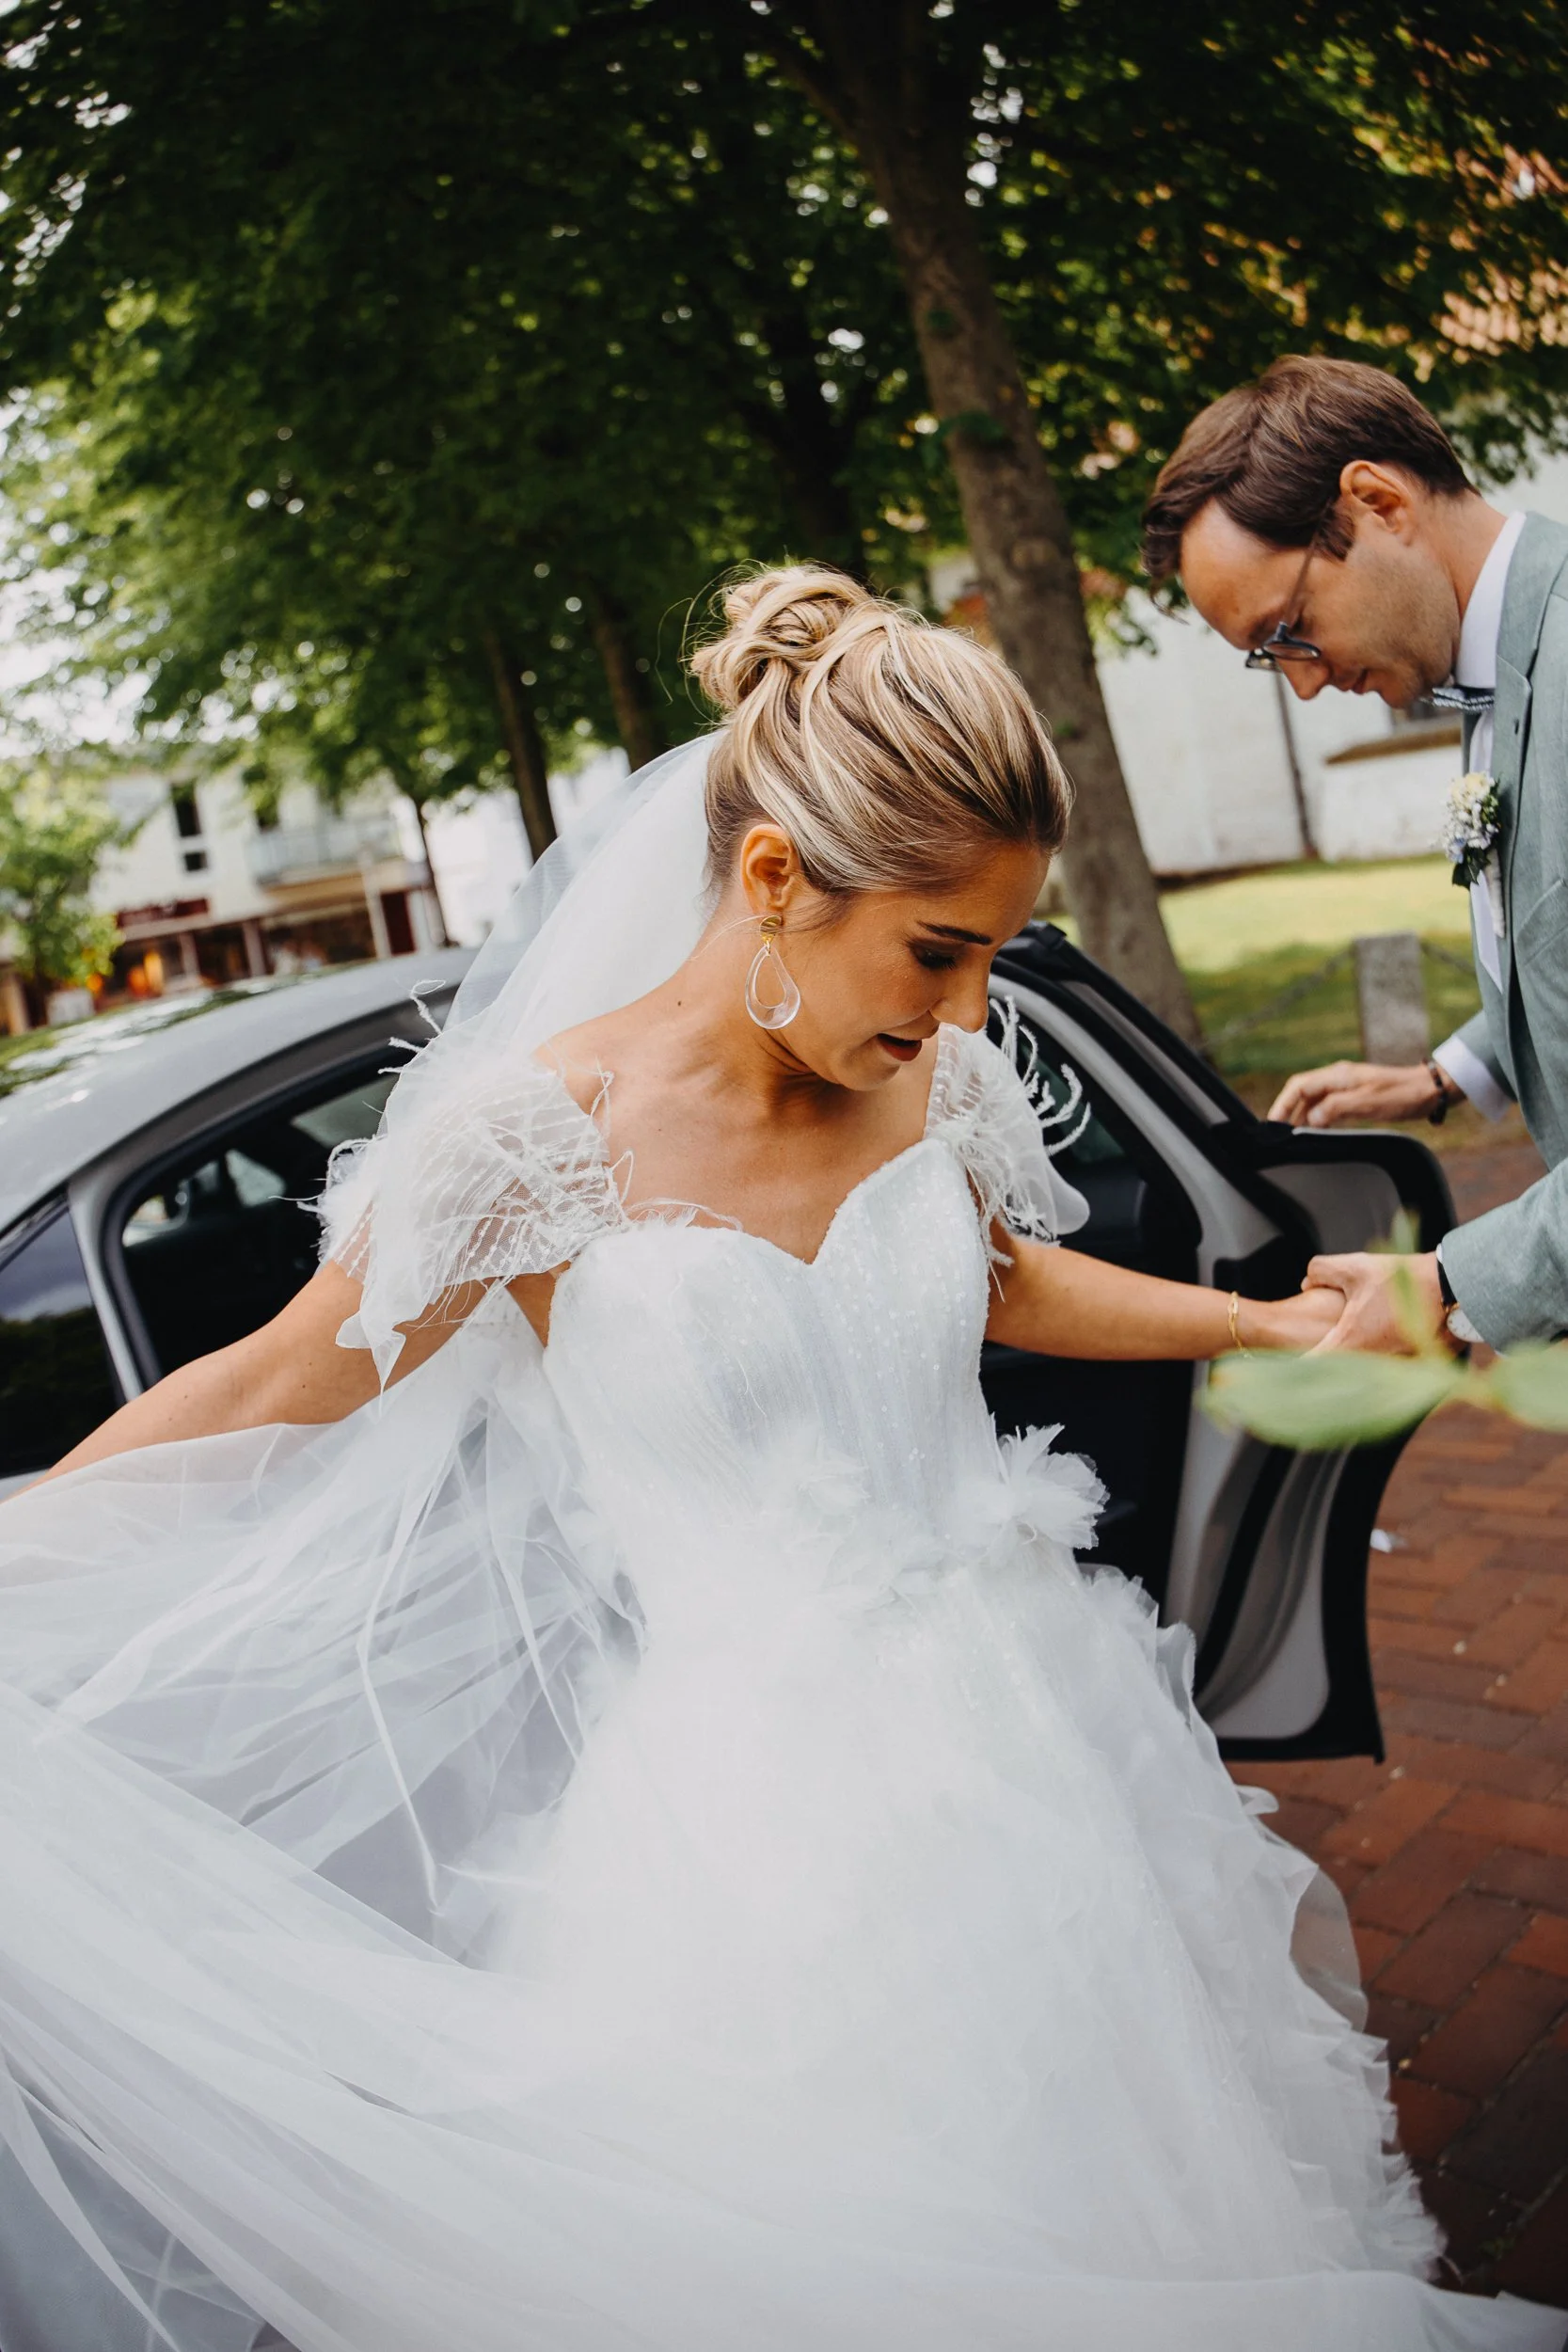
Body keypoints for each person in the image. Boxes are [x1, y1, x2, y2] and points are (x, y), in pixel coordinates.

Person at [0, 570, 1558, 2352]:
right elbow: (273, 1378)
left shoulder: (926, 1071)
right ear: (768, 880)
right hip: (760, 1850)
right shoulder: (535, 1141)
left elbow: (1002, 1276)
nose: (969, 1013)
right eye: (938, 951)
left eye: (993, 956)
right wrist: (23, 1545)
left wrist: (1259, 1322)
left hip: (1048, 1745)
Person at [1143, 354, 1568, 1356]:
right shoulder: (1495, 667)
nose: (1302, 685)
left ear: (1376, 503)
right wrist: (1445, 1074)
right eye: (1269, 658)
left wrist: (1449, 1283)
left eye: (1287, 630)